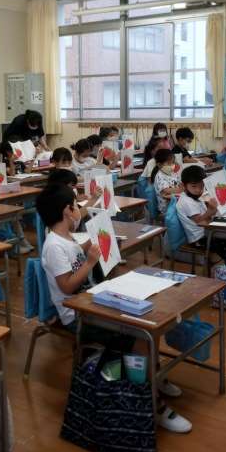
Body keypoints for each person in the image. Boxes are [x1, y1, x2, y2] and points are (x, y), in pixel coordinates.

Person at [37, 184, 190, 432]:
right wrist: (90, 262)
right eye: (76, 206)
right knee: (142, 337)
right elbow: (66, 286)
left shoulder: (66, 238)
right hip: (78, 316)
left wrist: (92, 245)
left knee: (148, 323)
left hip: (94, 303)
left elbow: (75, 257)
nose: (78, 211)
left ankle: (154, 377)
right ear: (67, 210)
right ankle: (152, 403)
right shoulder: (53, 246)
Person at [177, 166, 226, 263]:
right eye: (194, 186)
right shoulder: (186, 201)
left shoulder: (195, 197)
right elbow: (198, 221)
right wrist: (210, 211)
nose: (198, 190)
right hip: (200, 238)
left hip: (208, 232)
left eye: (201, 186)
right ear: (183, 185)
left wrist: (214, 207)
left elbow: (207, 216)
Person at [152, 149, 182, 214]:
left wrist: (183, 186)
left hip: (176, 202)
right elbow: (166, 190)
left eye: (173, 162)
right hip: (167, 208)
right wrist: (180, 190)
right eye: (169, 163)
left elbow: (179, 183)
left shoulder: (172, 173)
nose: (172, 165)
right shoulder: (160, 176)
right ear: (159, 165)